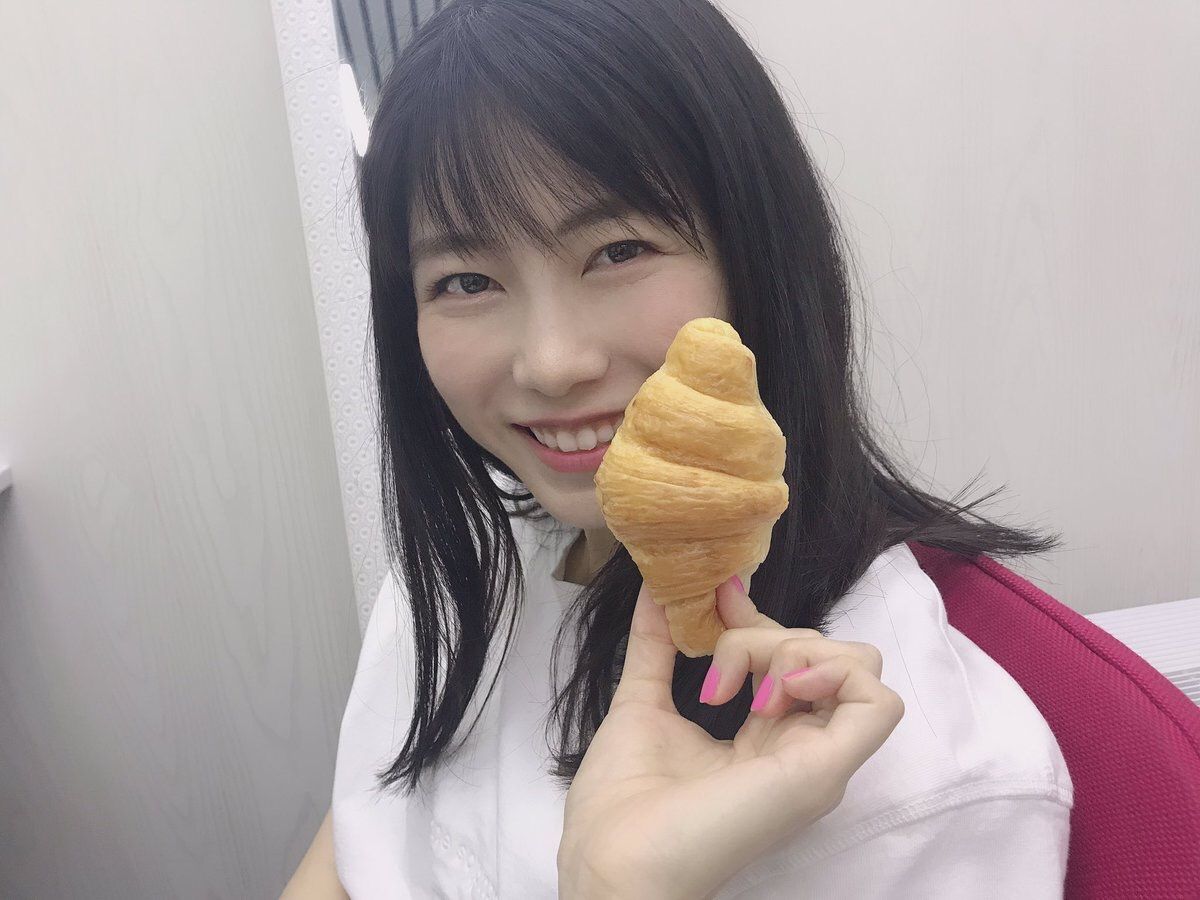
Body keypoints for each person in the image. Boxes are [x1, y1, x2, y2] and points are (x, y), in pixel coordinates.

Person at [282, 0, 1074, 896]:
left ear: (755, 254)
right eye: (466, 280)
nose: (552, 363)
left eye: (618, 250)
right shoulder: (469, 570)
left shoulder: (916, 783)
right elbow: (359, 839)